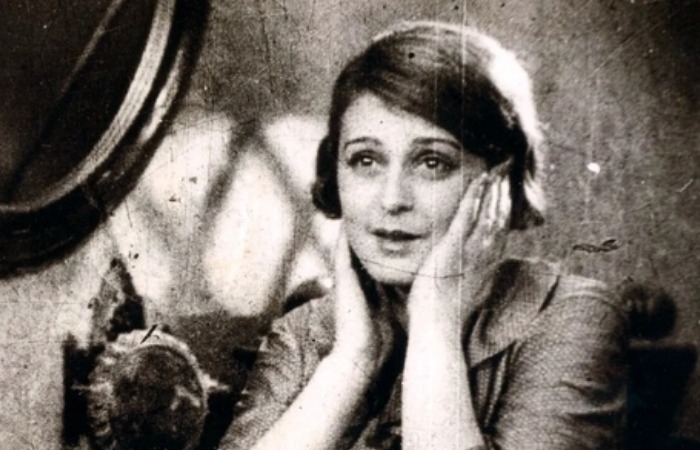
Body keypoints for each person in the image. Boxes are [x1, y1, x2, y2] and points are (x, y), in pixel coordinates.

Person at [220, 21, 627, 450]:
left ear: (498, 182)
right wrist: (351, 362)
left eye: (432, 163)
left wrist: (435, 320)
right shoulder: (305, 330)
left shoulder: (571, 315)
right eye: (365, 160)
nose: (392, 199)